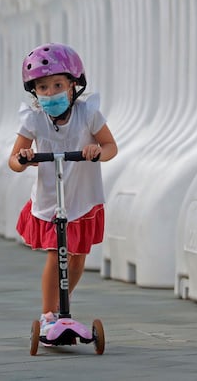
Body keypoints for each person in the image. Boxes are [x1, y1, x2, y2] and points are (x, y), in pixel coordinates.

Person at [9, 43, 118, 337]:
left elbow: (111, 147)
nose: (50, 92)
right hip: (50, 197)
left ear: (73, 85)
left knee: (78, 254)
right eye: (42, 87)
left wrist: (97, 151)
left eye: (57, 84)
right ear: (34, 92)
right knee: (55, 254)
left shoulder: (89, 114)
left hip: (83, 196)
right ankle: (48, 314)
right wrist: (24, 159)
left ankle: (61, 309)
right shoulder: (33, 120)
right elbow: (14, 159)